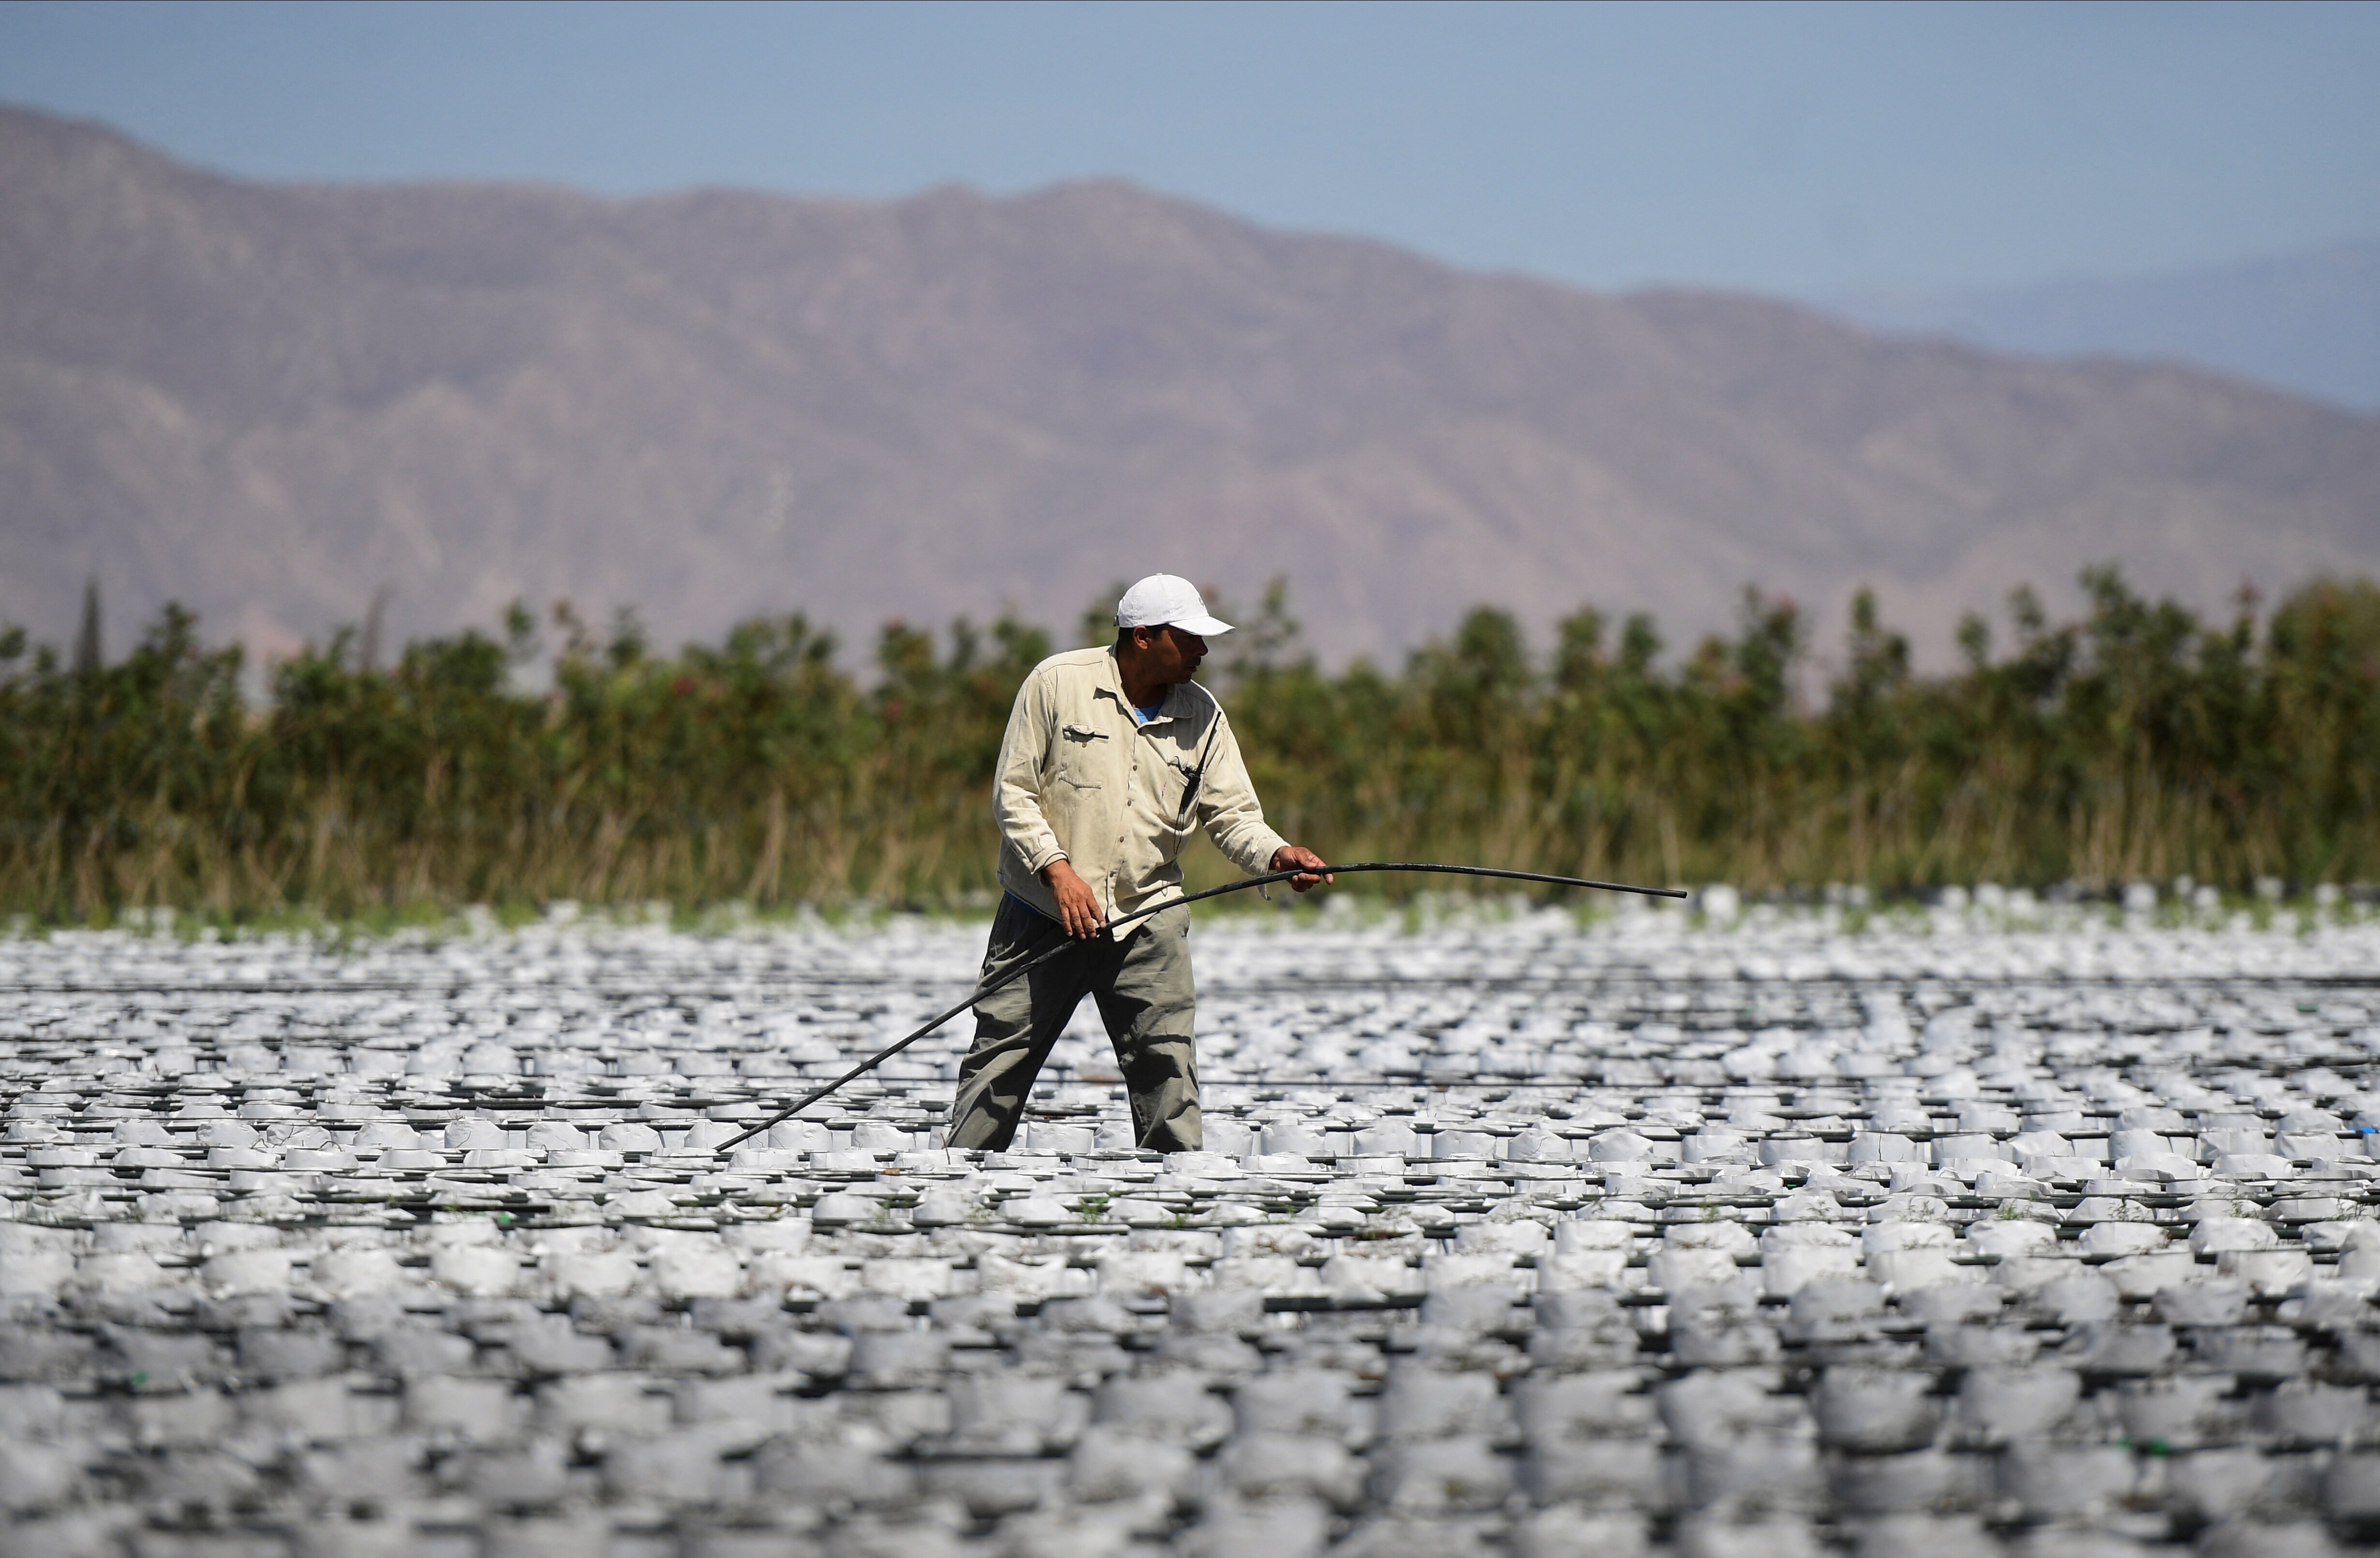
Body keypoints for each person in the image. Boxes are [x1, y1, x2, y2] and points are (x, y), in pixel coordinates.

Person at [945, 574, 1331, 1153]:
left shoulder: (1204, 716)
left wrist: (1278, 854)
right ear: (1145, 637)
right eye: (1190, 638)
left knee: (1167, 1064)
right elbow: (1015, 794)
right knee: (1001, 1056)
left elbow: (1231, 816)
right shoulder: (1056, 685)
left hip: (1146, 915)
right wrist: (1059, 871)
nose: (1204, 650)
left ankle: (1175, 1204)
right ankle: (960, 1181)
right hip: (1042, 911)